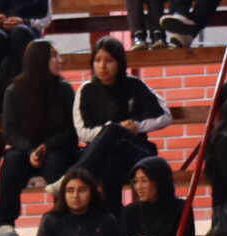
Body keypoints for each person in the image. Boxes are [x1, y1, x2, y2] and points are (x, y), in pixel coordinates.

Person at [71, 39, 172, 185]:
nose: (102, 66)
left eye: (109, 60)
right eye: (97, 60)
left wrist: (137, 126)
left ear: (119, 62)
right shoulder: (86, 90)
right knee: (111, 156)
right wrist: (116, 128)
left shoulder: (134, 84)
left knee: (114, 140)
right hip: (100, 152)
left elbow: (165, 116)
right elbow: (83, 132)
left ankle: (71, 177)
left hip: (133, 147)